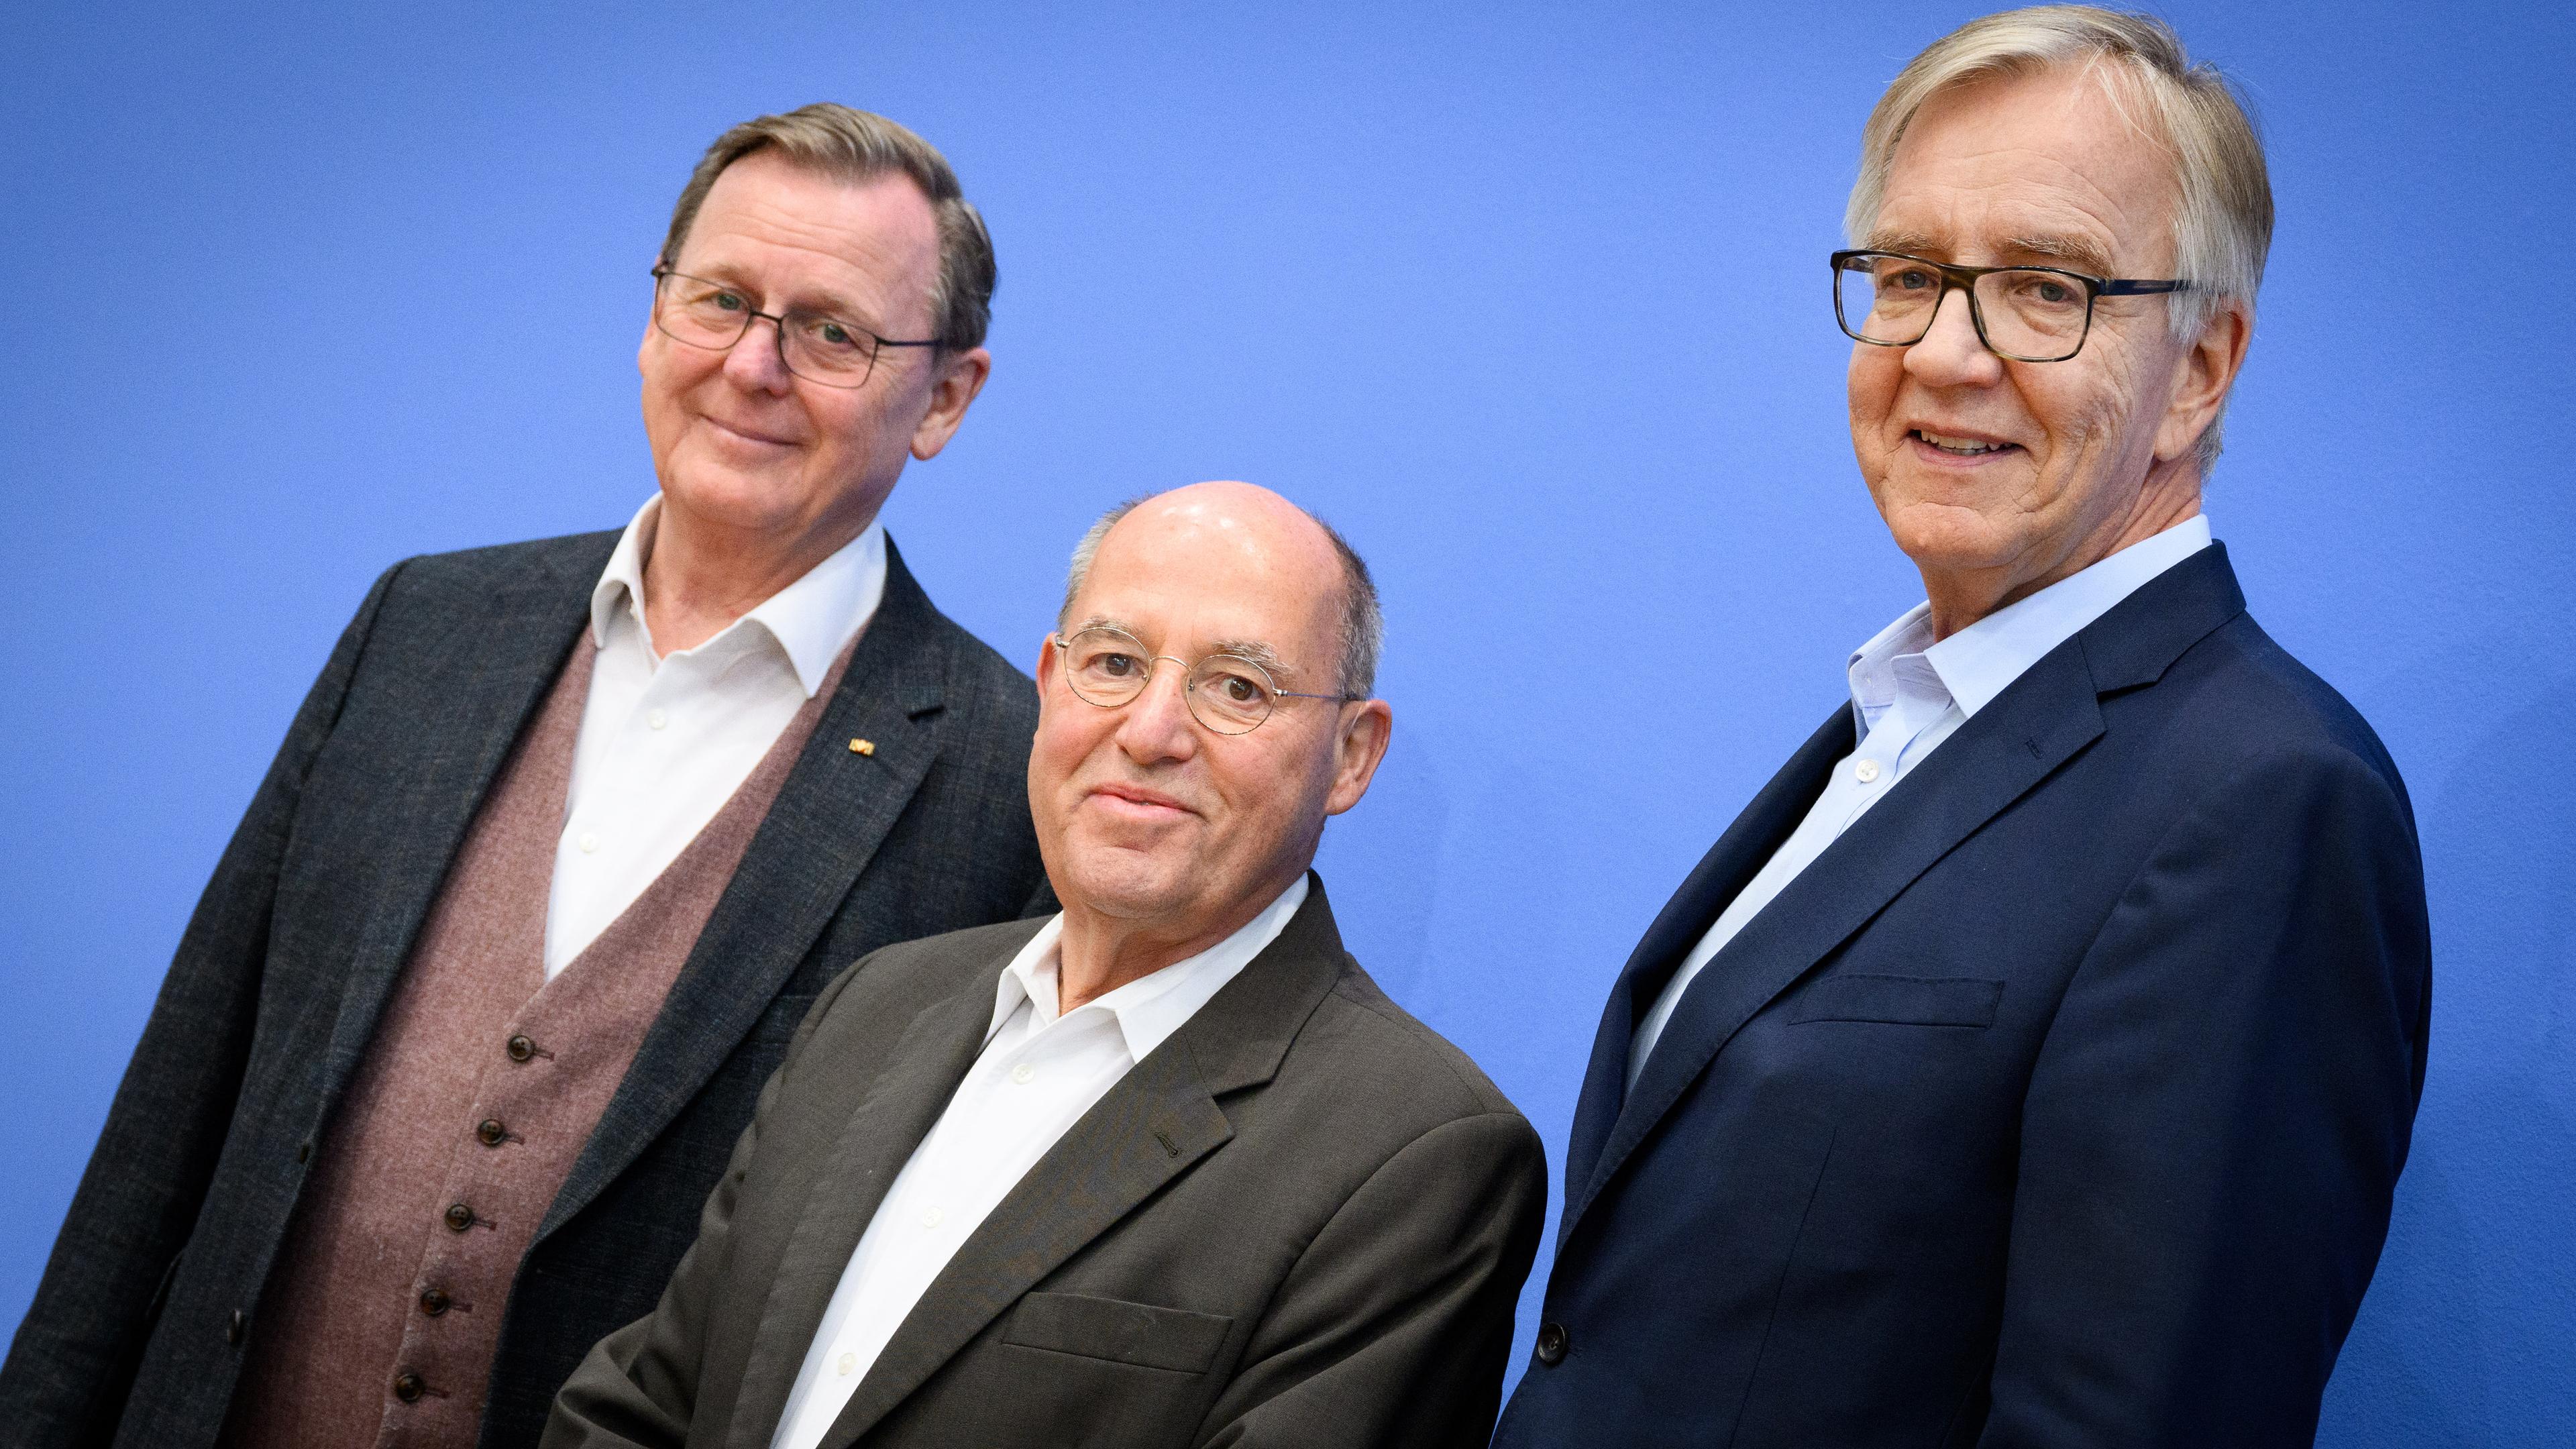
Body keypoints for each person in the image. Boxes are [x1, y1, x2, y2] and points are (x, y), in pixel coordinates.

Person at [0, 104, 1051, 1449]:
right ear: (653, 312)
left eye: (831, 332)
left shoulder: (998, 775)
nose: (751, 366)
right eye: (720, 300)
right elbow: (176, 1108)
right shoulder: (426, 628)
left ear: (945, 399)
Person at [1494, 9, 2431, 1446]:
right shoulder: (1904, 719)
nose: (1944, 352)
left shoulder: (2263, 802)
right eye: (1914, 274)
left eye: (2046, 289)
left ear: (2200, 370)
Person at [543, 482, 1548, 1449]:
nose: (1150, 733)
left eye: (1237, 688)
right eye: (1112, 663)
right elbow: (643, 1402)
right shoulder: (876, 1006)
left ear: (1352, 756)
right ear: (1048, 682)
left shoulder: (1415, 1155)